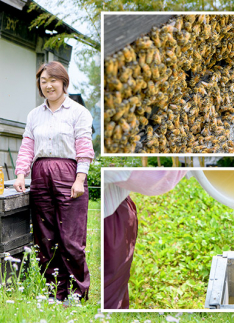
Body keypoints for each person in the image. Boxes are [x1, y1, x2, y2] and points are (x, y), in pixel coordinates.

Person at [13, 61, 94, 303]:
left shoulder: (78, 112)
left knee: (71, 239)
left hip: (69, 174)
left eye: (53, 80)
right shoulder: (34, 115)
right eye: (44, 81)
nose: (48, 85)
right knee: (45, 238)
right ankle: (54, 292)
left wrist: (80, 178)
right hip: (40, 174)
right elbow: (28, 146)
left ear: (64, 82)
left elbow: (84, 148)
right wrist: (20, 174)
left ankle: (78, 292)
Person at [103, 170, 187, 309]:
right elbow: (153, 179)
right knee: (111, 291)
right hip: (110, 217)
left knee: (116, 286)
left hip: (114, 207)